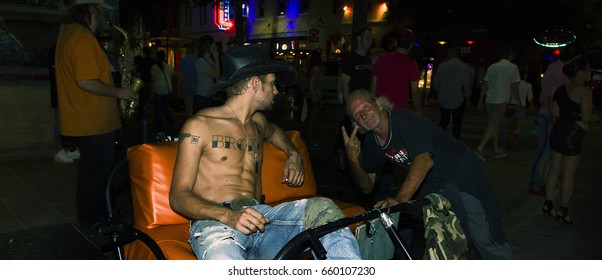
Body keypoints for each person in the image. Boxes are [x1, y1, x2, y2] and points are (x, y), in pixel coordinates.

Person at [168, 44, 361, 260]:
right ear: (254, 83)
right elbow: (178, 195)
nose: (276, 91)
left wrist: (293, 154)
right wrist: (228, 216)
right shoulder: (200, 125)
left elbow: (277, 132)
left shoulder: (258, 123)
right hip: (218, 224)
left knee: (323, 208)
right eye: (272, 83)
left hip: (262, 218)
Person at [342, 89, 513, 259]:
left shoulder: (401, 120)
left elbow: (424, 161)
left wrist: (401, 199)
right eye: (357, 114)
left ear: (378, 104)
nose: (363, 114)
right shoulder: (372, 141)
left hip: (461, 172)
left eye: (365, 106)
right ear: (356, 123)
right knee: (445, 235)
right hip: (432, 182)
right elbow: (366, 186)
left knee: (485, 235)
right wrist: (354, 160)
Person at [54, 0, 137, 229]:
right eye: (102, 11)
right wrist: (119, 91)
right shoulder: (81, 38)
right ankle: (92, 218)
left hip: (88, 118)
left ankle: (101, 210)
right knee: (95, 174)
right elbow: (86, 81)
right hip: (93, 120)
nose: (104, 16)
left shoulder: (70, 34)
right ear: (91, 9)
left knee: (95, 172)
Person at [542, 56, 600, 224]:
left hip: (558, 132)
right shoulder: (585, 91)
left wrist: (571, 114)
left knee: (553, 170)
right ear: (581, 72)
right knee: (568, 175)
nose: (590, 73)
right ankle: (564, 210)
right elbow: (588, 116)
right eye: (588, 69)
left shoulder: (561, 89)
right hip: (573, 135)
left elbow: (554, 113)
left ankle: (548, 204)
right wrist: (595, 117)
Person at [528, 47, 578, 195]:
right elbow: (551, 97)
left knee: (543, 153)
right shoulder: (559, 72)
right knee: (544, 154)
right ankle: (536, 185)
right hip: (548, 115)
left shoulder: (555, 68)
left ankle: (537, 183)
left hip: (547, 114)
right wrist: (552, 117)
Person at [335, 27, 373, 173]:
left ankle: (360, 166)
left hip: (366, 105)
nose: (370, 41)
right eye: (367, 38)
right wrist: (348, 104)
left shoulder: (368, 59)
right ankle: (345, 165)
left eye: (371, 39)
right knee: (348, 133)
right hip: (353, 105)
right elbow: (344, 81)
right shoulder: (350, 58)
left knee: (364, 136)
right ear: (359, 39)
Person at [475, 46, 520, 161]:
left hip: (489, 99)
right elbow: (514, 87)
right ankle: (480, 149)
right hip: (502, 100)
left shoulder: (492, 67)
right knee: (493, 125)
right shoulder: (513, 68)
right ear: (510, 56)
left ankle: (496, 150)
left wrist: (480, 100)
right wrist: (518, 101)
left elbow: (485, 84)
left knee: (493, 125)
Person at [371, 28, 422, 115]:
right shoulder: (412, 64)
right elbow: (415, 91)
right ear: (411, 45)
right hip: (399, 108)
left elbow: (374, 81)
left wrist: (372, 101)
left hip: (381, 106)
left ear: (397, 42)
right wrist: (418, 109)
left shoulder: (382, 58)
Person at [48, 43, 80, 163]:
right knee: (60, 122)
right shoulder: (56, 49)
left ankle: (71, 149)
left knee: (72, 122)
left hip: (69, 93)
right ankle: (59, 150)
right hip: (60, 94)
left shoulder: (63, 47)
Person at [432, 45, 473, 140]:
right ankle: (454, 142)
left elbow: (436, 83)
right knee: (457, 123)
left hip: (444, 97)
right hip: (457, 98)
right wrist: (468, 99)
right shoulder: (464, 67)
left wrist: (439, 93)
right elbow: (467, 86)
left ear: (450, 53)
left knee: (443, 120)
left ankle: (438, 139)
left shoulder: (443, 65)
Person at [506, 67, 534, 150]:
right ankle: (512, 141)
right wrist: (532, 106)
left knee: (512, 126)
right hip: (521, 107)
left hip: (511, 105)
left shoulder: (513, 84)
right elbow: (530, 97)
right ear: (524, 75)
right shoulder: (528, 85)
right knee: (519, 128)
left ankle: (512, 143)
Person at [193, 35, 220, 114]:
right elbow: (216, 75)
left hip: (209, 95)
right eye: (213, 45)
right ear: (207, 47)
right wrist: (217, 59)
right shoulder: (200, 62)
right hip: (202, 96)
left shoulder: (209, 60)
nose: (215, 47)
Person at [150, 50, 175, 136]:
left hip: (158, 90)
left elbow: (153, 80)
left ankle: (160, 129)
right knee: (165, 109)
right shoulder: (169, 67)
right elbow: (171, 78)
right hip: (167, 90)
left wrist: (151, 91)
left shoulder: (154, 67)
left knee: (158, 110)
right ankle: (171, 123)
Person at [305, 49, 324, 149]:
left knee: (312, 121)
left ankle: (310, 141)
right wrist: (314, 98)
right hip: (315, 97)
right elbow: (311, 84)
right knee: (312, 121)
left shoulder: (315, 68)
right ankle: (309, 142)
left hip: (315, 97)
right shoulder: (316, 69)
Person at [177, 40, 198, 117]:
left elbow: (180, 77)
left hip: (188, 90)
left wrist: (179, 90)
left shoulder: (184, 60)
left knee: (190, 114)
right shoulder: (200, 59)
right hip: (200, 91)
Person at [135, 46, 156, 122]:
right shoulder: (154, 62)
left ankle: (139, 118)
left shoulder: (141, 62)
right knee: (153, 102)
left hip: (143, 83)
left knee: (142, 102)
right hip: (152, 83)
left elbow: (138, 74)